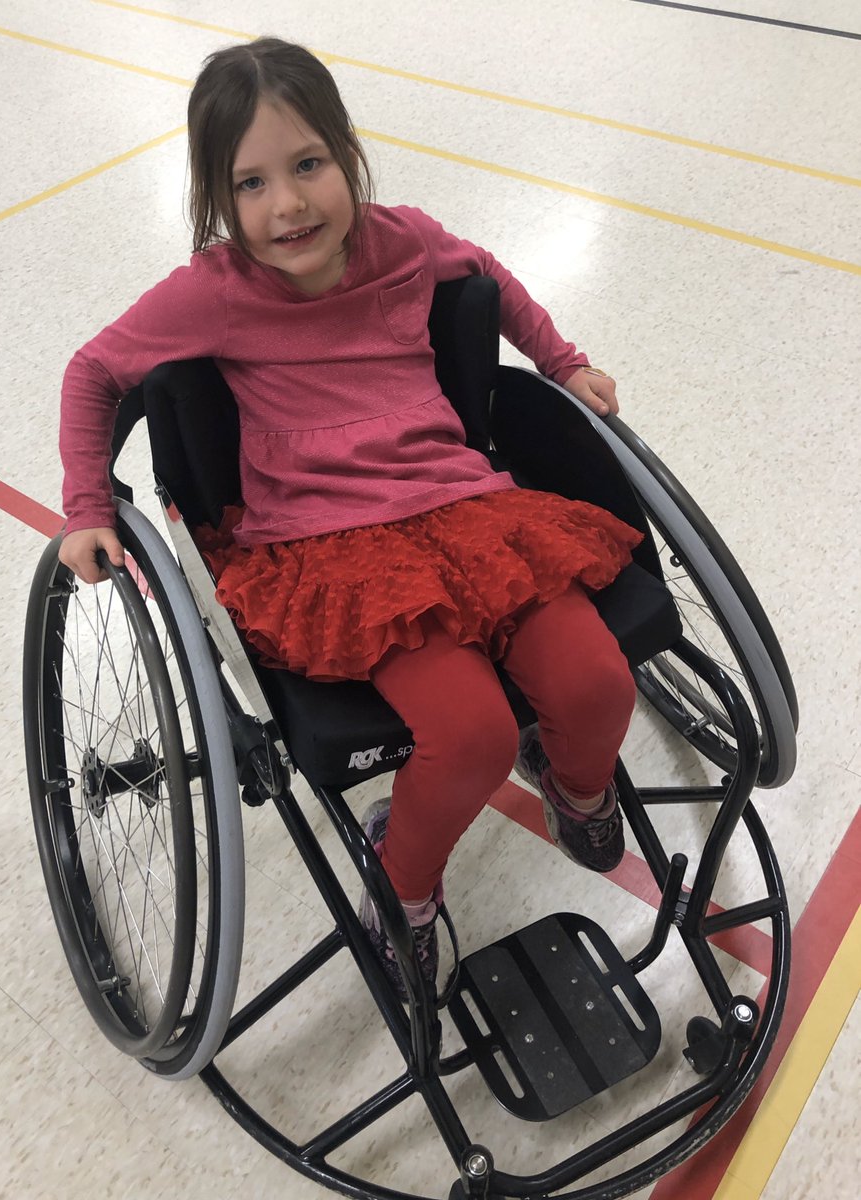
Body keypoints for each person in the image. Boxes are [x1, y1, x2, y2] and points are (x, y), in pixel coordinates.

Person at [59, 37, 642, 999]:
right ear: (217, 197)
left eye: (307, 165)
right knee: (470, 736)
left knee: (596, 686)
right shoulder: (214, 291)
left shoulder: (401, 240)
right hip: (331, 546)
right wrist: (87, 504)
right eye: (250, 184)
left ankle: (573, 787)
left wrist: (562, 361)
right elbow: (94, 371)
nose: (286, 205)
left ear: (345, 153)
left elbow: (485, 273)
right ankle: (399, 884)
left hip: (462, 507)